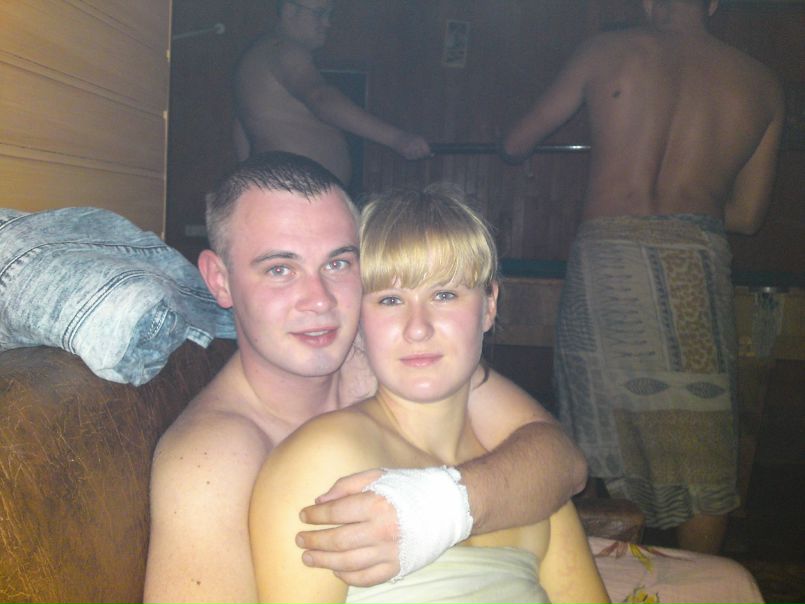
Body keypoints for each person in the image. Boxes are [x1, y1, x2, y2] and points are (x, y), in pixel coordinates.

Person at [143, 151, 588, 604]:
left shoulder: (383, 356)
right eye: (280, 269)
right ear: (219, 280)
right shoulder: (209, 464)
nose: (319, 300)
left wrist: (438, 509)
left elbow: (561, 461)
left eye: (338, 263)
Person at [500, 0, 785, 555]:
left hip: (607, 260)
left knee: (591, 435)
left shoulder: (605, 51)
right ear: (713, 2)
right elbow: (748, 216)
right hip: (695, 263)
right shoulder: (761, 83)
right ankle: (698, 583)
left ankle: (587, 576)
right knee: (703, 445)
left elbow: (515, 144)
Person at [249, 184, 610, 604]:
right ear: (358, 315)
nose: (417, 328)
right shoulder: (323, 461)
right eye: (390, 299)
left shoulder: (528, 474)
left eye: (444, 294)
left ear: (489, 305)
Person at [233, 0, 431, 186]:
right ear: (290, 10)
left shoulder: (258, 56)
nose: (327, 24)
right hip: (295, 192)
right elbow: (321, 98)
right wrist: (398, 139)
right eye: (320, 14)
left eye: (329, 15)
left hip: (286, 189)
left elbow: (241, 128)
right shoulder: (284, 49)